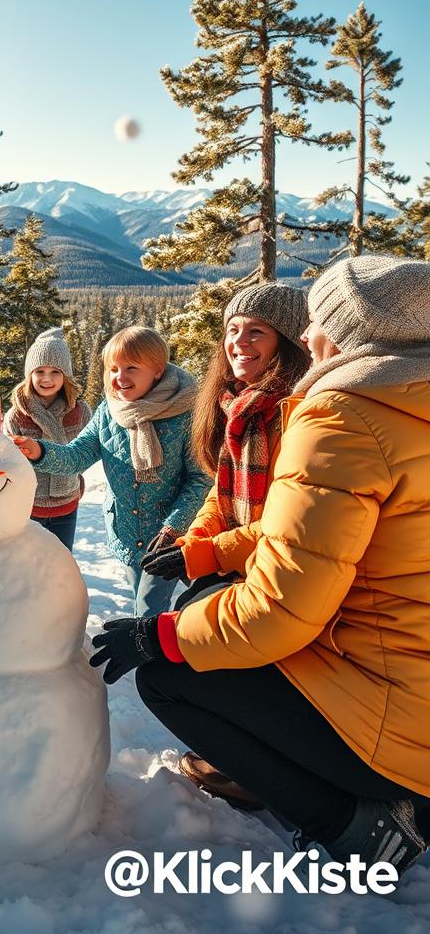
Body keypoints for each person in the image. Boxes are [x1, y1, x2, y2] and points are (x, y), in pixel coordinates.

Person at [90, 256, 430, 878]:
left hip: (401, 718)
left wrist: (155, 636)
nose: (308, 338)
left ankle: (359, 826)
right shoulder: (406, 407)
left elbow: (282, 607)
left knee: (170, 673)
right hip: (404, 672)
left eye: (317, 322)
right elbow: (281, 525)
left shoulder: (343, 416)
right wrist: (205, 548)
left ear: (351, 333)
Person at [141, 283, 309, 807]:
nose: (239, 342)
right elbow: (223, 491)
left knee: (237, 662)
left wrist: (206, 553)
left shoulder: (296, 411)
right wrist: (190, 541)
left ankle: (254, 770)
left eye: (256, 331)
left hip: (282, 568)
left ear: (288, 342)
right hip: (241, 558)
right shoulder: (237, 406)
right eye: (232, 330)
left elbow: (283, 522)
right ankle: (232, 754)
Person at [12, 325, 210, 615]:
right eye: (113, 368)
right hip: (128, 531)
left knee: (149, 608)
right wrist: (39, 451)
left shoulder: (186, 413)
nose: (120, 378)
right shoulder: (109, 412)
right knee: (144, 600)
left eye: (131, 368)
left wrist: (172, 528)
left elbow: (200, 478)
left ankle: (157, 655)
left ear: (157, 370)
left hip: (170, 536)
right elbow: (77, 456)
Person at [2, 327, 92, 551]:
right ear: (29, 374)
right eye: (39, 371)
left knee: (60, 567)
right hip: (28, 508)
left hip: (67, 506)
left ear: (66, 376)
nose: (47, 379)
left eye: (55, 372)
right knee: (29, 569)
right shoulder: (18, 416)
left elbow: (87, 451)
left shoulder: (79, 412)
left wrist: (75, 477)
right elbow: (8, 462)